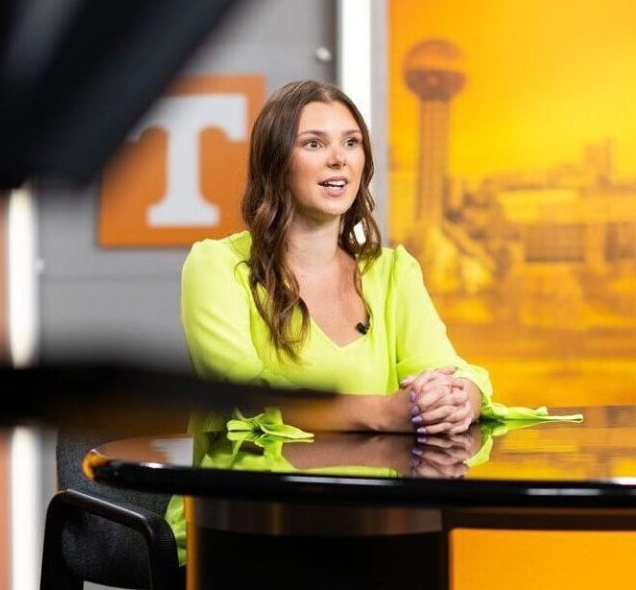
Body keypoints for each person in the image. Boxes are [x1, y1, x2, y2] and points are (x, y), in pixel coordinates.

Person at [180, 79, 492, 437]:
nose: (339, 159)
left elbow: (448, 371)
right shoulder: (216, 266)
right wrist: (385, 413)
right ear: (276, 161)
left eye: (351, 142)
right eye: (314, 143)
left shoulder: (392, 272)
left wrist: (458, 401)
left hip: (372, 491)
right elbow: (245, 400)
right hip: (252, 489)